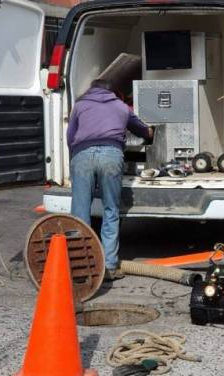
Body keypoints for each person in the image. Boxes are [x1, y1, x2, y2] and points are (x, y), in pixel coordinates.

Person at [67, 78, 153, 280]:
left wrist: (76, 158)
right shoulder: (121, 107)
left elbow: (70, 136)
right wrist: (152, 131)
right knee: (111, 210)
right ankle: (110, 266)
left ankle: (80, 266)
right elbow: (144, 130)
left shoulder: (79, 106)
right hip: (111, 156)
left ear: (91, 90)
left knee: (80, 211)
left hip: (82, 155)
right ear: (113, 92)